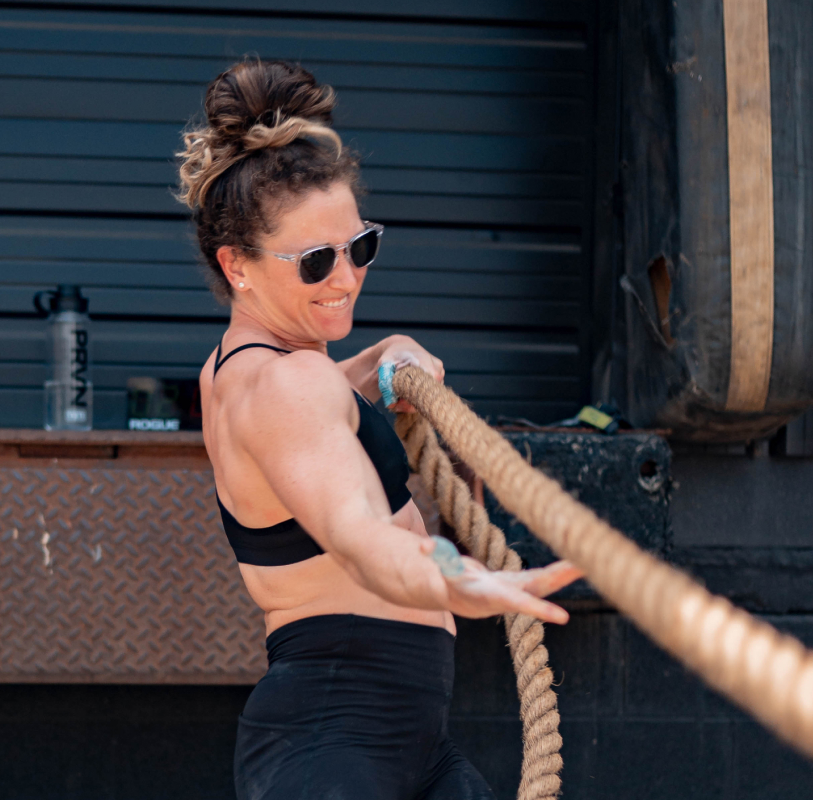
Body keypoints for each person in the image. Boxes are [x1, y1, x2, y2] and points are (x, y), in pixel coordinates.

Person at [178, 59, 582, 800]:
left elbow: (316, 407)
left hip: (390, 734)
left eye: (360, 246)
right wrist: (461, 579)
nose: (346, 278)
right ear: (235, 265)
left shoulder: (242, 369)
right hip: (337, 737)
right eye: (315, 262)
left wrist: (383, 357)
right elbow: (361, 537)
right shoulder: (288, 384)